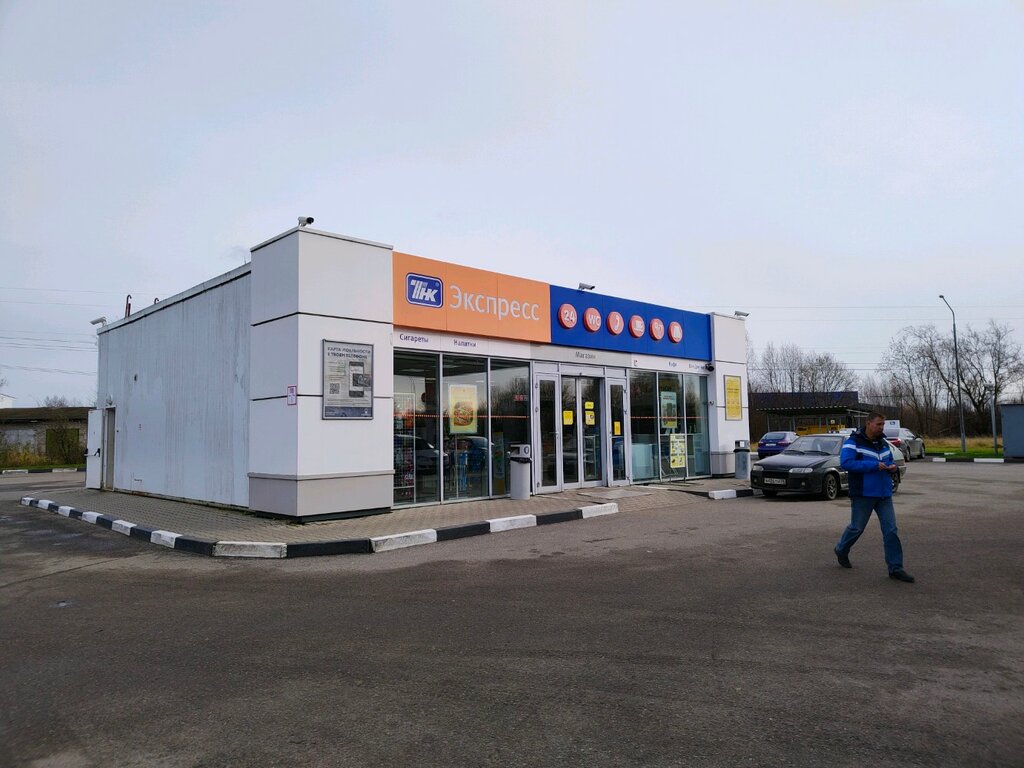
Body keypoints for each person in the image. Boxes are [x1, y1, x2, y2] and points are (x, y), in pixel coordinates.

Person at [834, 413, 915, 583]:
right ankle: (841, 549)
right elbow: (846, 463)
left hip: (884, 494)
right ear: (869, 423)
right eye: (878, 424)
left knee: (891, 530)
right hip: (863, 494)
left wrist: (892, 467)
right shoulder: (853, 442)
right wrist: (873, 465)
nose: (881, 427)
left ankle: (896, 568)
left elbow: (889, 459)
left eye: (883, 424)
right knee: (856, 528)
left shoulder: (882, 442)